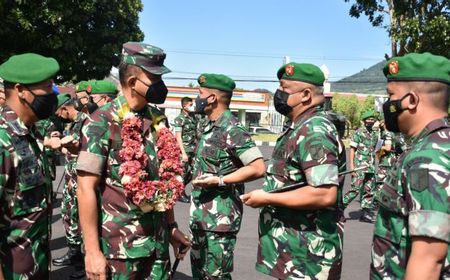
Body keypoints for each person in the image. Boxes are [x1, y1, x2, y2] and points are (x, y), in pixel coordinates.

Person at [76, 42, 190, 280]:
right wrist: (92, 252)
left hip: (158, 249)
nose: (161, 86)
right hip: (119, 250)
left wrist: (171, 227)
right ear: (131, 83)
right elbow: (86, 188)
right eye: (154, 80)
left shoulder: (158, 121)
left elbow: (164, 182)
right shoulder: (100, 123)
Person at [242, 62, 346, 280]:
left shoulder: (314, 130)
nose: (278, 94)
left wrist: (267, 197)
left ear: (306, 94)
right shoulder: (299, 127)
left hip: (308, 258)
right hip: (294, 252)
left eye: (284, 89)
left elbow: (324, 193)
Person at [371, 52, 450, 279]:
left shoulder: (427, 159)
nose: (387, 104)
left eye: (390, 96)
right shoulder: (438, 145)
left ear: (412, 100)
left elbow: (428, 260)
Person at [189, 73, 265, 279]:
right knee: (199, 273)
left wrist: (220, 180)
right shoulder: (207, 127)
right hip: (200, 218)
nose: (197, 98)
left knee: (216, 275)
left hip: (220, 222)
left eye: (200, 93)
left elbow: (258, 167)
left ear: (212, 98)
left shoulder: (232, 129)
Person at [0, 53, 59, 279]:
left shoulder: (30, 133)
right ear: (21, 90)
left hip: (35, 265)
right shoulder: (3, 139)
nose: (53, 94)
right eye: (47, 86)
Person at [51, 94, 89, 279]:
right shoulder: (73, 123)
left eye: (59, 112)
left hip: (82, 180)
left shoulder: (85, 122)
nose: (59, 116)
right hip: (71, 178)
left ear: (65, 109)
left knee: (81, 220)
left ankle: (83, 263)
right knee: (69, 216)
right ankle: (74, 255)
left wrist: (62, 146)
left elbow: (85, 150)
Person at [343, 111, 379, 223]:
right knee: (355, 189)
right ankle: (340, 208)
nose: (371, 121)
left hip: (370, 166)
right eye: (368, 119)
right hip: (360, 167)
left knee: (369, 191)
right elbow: (352, 150)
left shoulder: (374, 134)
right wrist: (351, 166)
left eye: (373, 119)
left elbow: (375, 150)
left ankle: (365, 214)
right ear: (364, 121)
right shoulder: (359, 133)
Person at [173, 96, 197, 203]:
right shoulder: (179, 119)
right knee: (182, 172)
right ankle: (180, 194)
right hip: (184, 150)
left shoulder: (192, 118)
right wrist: (183, 153)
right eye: (190, 105)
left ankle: (180, 190)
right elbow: (178, 137)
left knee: (193, 171)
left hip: (193, 149)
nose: (192, 107)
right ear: (184, 106)